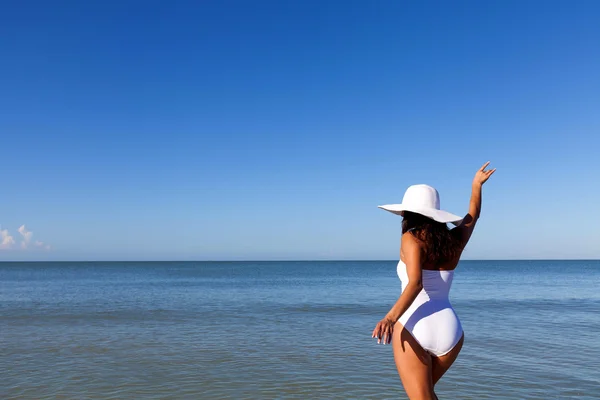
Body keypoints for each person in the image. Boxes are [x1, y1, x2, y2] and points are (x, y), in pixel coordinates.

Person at [372, 162, 496, 400]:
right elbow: (473, 216)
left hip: (414, 325)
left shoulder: (411, 239)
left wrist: (389, 318)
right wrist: (476, 185)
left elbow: (416, 284)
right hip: (451, 331)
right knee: (426, 395)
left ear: (407, 213)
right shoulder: (453, 241)